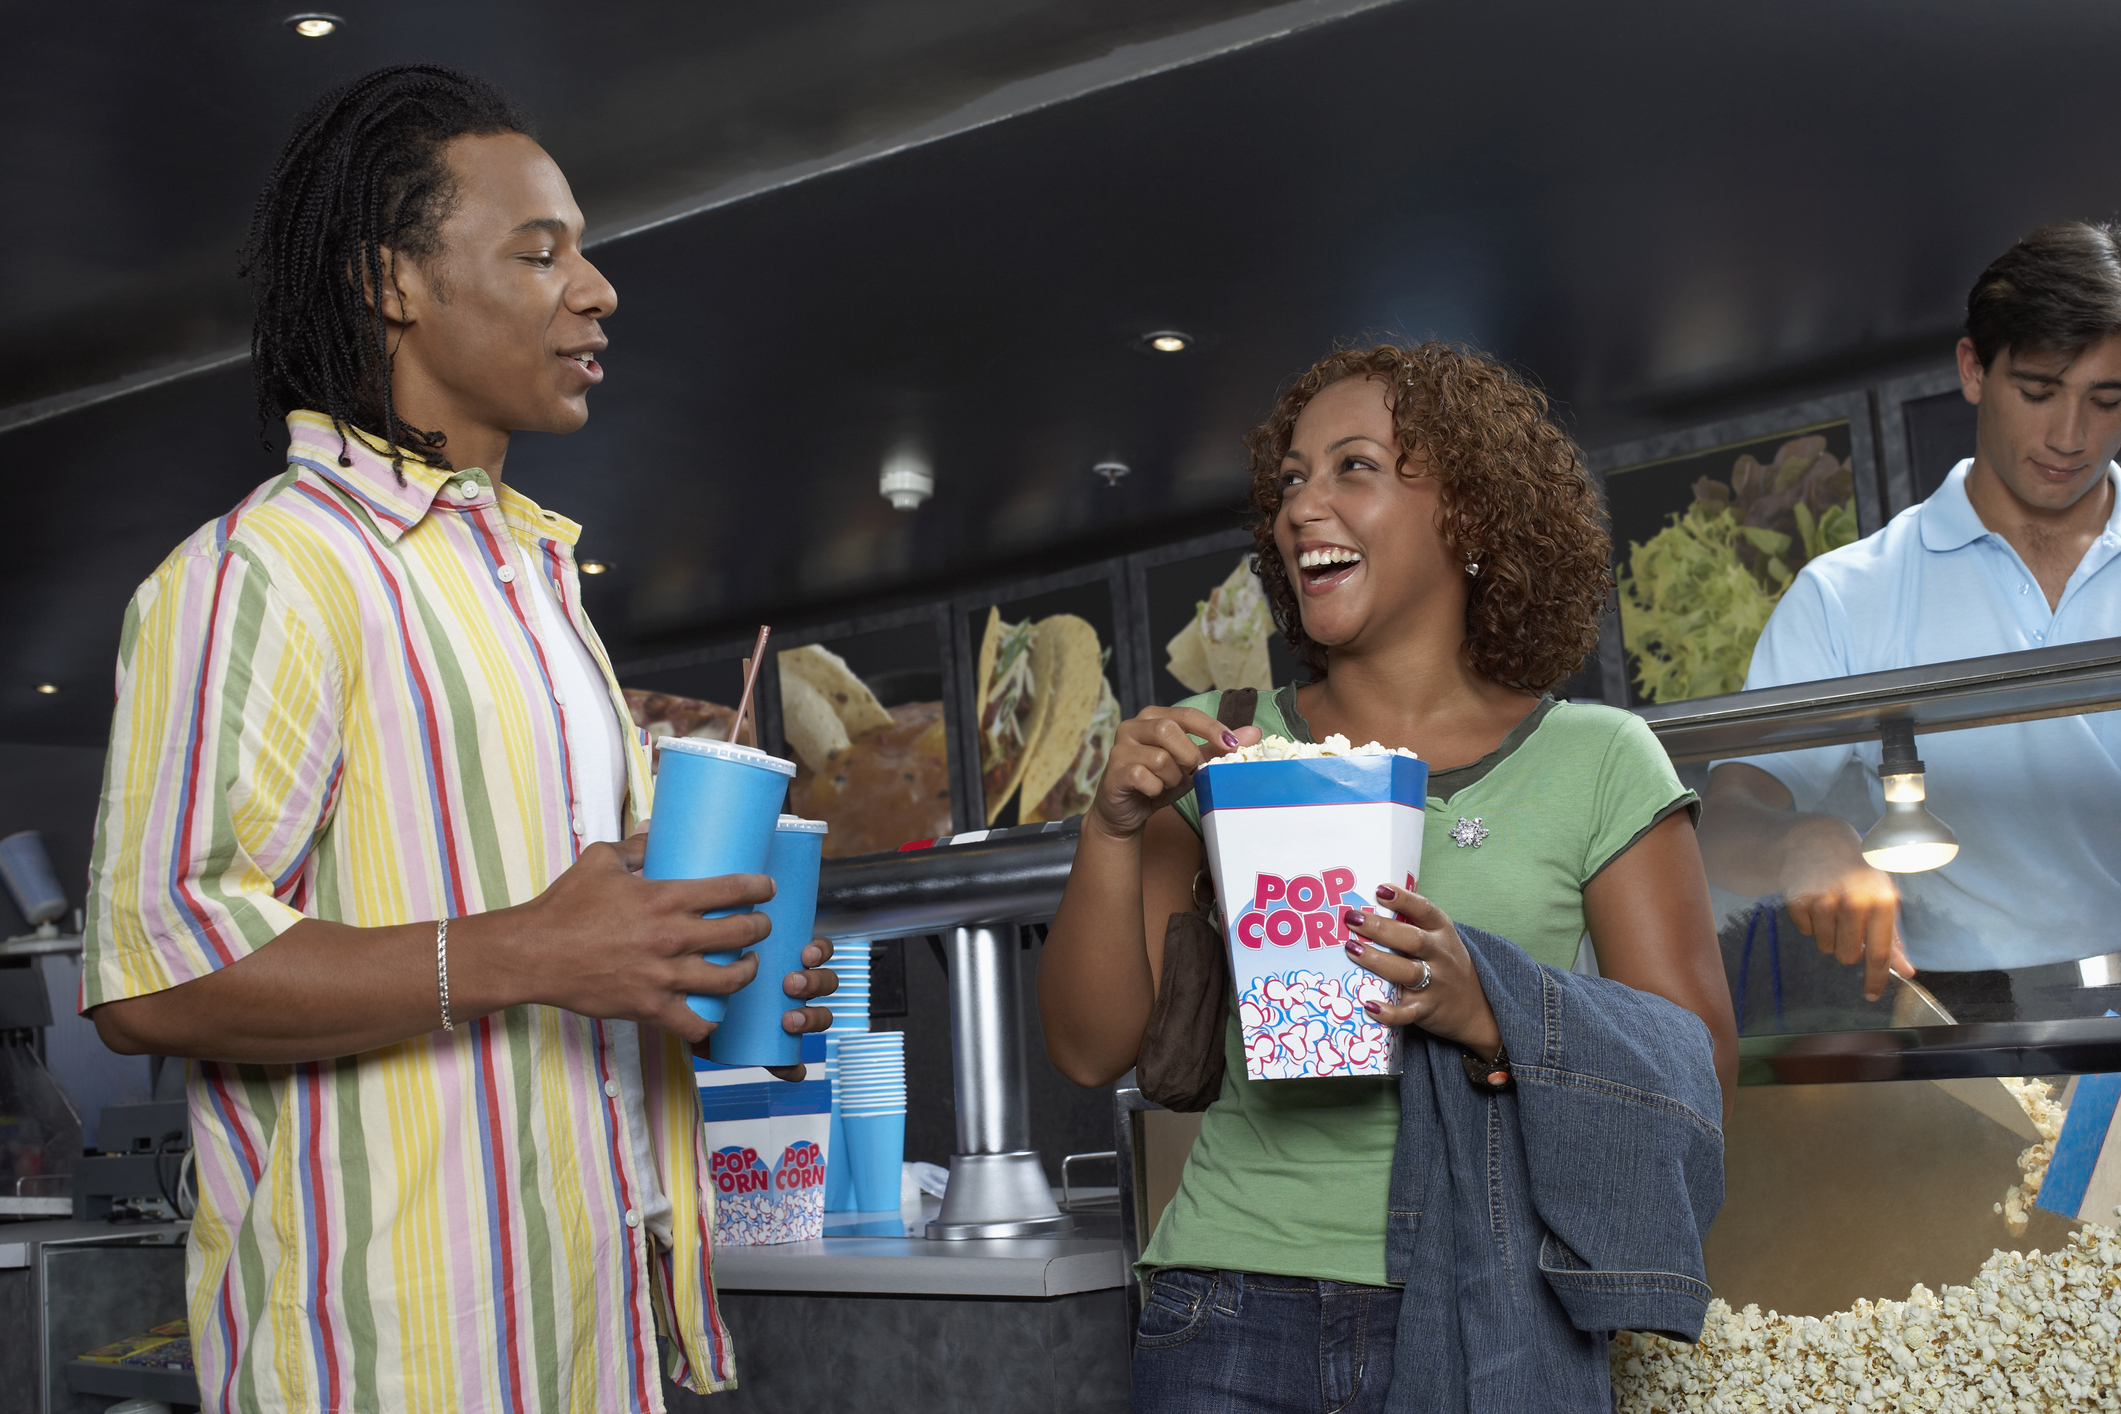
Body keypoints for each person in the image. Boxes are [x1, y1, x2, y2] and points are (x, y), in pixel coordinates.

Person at [81, 66, 835, 1411]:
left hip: (593, 1345)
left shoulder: (537, 594)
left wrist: (687, 971)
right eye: (540, 252)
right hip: (395, 1365)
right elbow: (153, 973)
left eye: (585, 251)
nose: (597, 289)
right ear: (393, 281)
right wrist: (531, 951)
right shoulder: (269, 570)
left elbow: (577, 946)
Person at [1038, 343, 1737, 1413]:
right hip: (1227, 1305)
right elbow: (1090, 1049)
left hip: (1485, 1308)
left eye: (1353, 468)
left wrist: (1490, 1008)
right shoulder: (1229, 749)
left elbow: (1696, 1079)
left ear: (1468, 512)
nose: (1301, 508)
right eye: (1290, 482)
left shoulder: (1598, 758)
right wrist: (1113, 821)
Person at [1698, 222, 2121, 1021]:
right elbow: (1723, 823)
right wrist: (1798, 841)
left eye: (2107, 400)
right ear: (1972, 369)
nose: (2070, 438)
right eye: (2037, 391)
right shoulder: (1847, 595)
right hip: (1957, 1028)